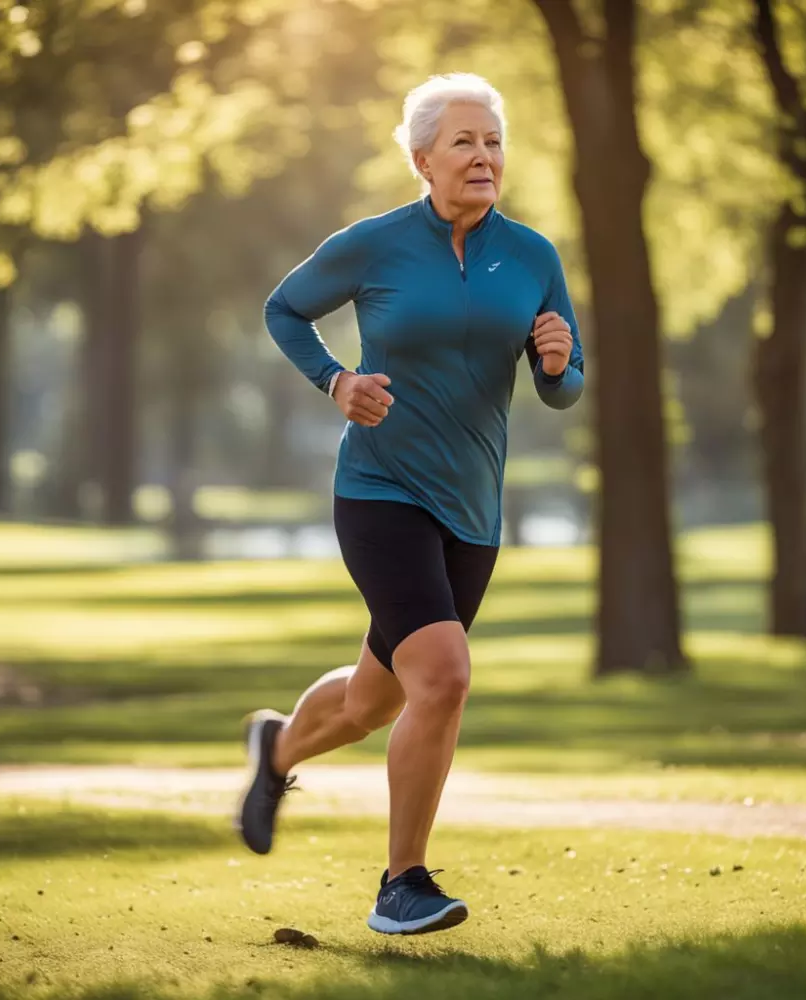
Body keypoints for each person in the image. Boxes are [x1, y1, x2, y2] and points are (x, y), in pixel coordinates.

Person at [236, 72, 584, 936]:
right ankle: (403, 884)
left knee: (375, 701)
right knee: (447, 674)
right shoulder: (375, 244)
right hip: (381, 491)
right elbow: (285, 310)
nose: (483, 156)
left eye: (493, 141)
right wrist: (337, 380)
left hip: (473, 509)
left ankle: (274, 749)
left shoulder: (533, 256)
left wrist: (556, 360)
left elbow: (566, 389)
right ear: (424, 159)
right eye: (464, 142)